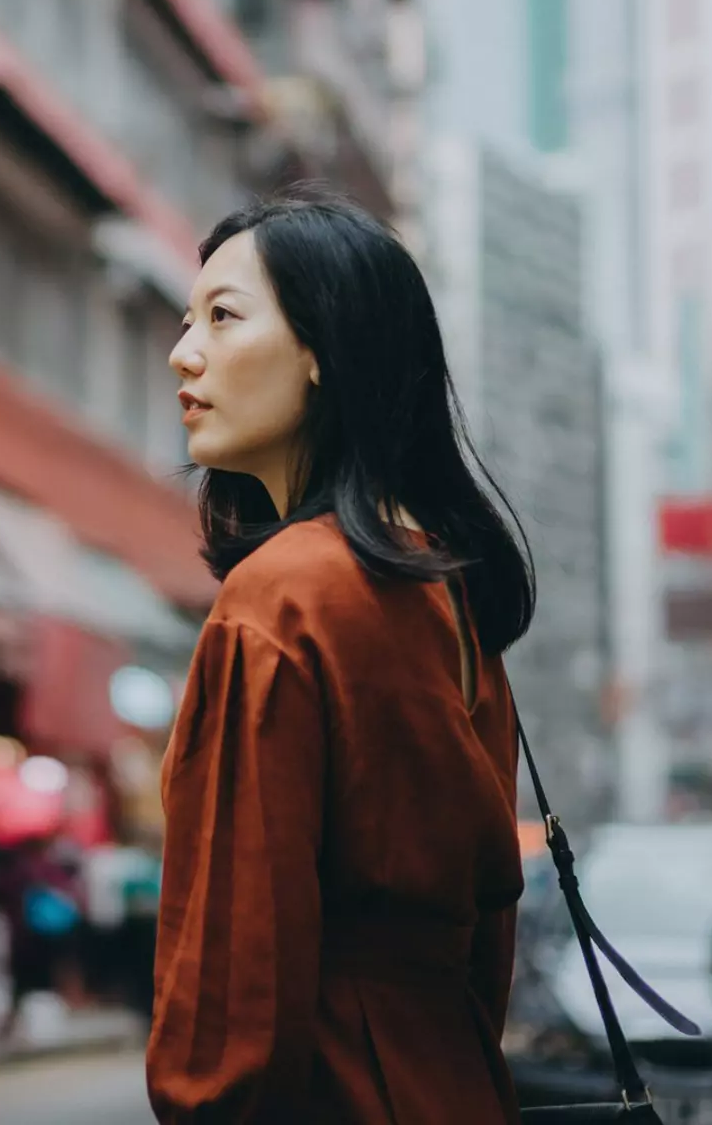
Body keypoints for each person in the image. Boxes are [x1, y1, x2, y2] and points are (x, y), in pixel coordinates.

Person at [148, 193, 537, 1123]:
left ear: (324, 350)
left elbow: (239, 959)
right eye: (186, 320)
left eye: (224, 317)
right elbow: (488, 939)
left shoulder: (282, 598)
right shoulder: (447, 592)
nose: (183, 352)